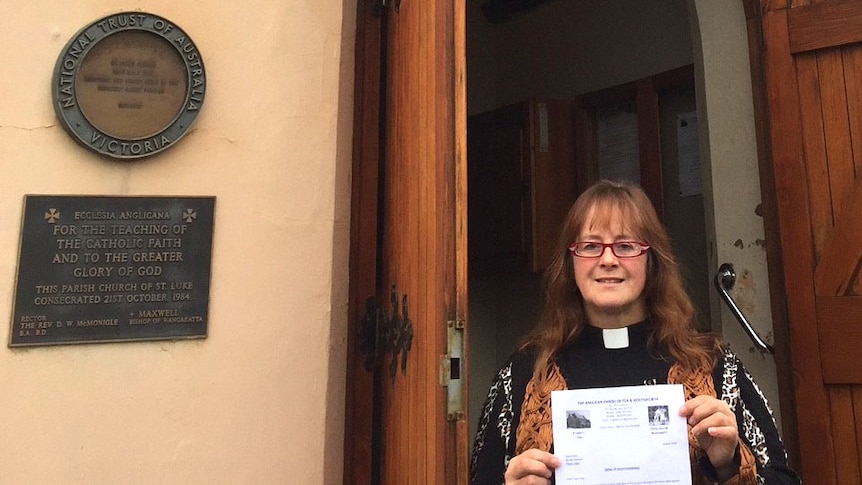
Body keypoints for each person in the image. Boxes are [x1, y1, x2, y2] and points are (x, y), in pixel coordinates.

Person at [470, 180, 799, 484]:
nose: (608, 260)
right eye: (590, 246)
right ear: (571, 261)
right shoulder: (526, 373)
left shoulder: (713, 366)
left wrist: (728, 464)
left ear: (651, 260)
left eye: (626, 246)